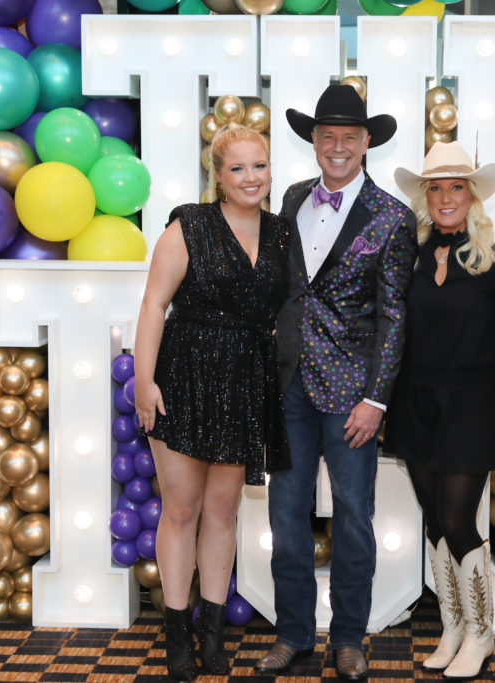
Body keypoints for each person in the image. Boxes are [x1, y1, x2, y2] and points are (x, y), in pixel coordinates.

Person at [255, 84, 416, 681]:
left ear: (366, 142)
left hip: (352, 394)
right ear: (314, 143)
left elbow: (395, 315)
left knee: (354, 518)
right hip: (289, 384)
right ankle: (293, 633)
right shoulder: (294, 198)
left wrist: (376, 397)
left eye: (350, 136)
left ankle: (349, 638)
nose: (338, 146)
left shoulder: (394, 217)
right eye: (328, 136)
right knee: (285, 516)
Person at [134, 123, 290, 681]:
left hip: (245, 380)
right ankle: (176, 636)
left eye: (260, 165)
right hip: (183, 376)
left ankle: (212, 633)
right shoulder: (189, 226)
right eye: (238, 168)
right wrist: (144, 381)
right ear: (218, 177)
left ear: (272, 170)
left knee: (223, 513)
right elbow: (154, 307)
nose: (252, 177)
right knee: (180, 511)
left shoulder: (281, 233)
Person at [389, 141, 495, 679]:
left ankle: (482, 633)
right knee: (435, 521)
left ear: (472, 195)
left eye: (455, 187)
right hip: (415, 399)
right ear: (424, 196)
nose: (444, 197)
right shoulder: (408, 254)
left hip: (473, 401)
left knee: (459, 518)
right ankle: (454, 627)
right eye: (434, 187)